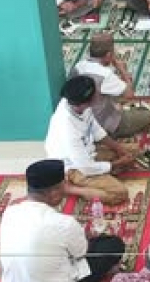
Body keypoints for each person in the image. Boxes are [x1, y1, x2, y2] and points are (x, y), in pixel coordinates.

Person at [0, 159, 126, 282]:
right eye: (63, 187)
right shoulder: (64, 224)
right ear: (53, 193)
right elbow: (81, 253)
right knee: (113, 245)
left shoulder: (10, 212)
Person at [45, 75, 133, 204]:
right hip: (74, 167)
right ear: (86, 101)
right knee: (119, 193)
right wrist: (118, 163)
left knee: (133, 151)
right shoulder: (67, 128)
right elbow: (86, 167)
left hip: (88, 151)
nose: (98, 93)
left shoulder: (78, 104)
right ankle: (69, 188)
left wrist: (119, 149)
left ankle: (105, 174)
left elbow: (96, 130)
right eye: (95, 92)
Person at [70, 33, 150, 139]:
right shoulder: (105, 75)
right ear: (109, 55)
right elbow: (130, 94)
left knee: (113, 97)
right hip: (102, 124)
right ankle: (109, 133)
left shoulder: (78, 66)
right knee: (147, 115)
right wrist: (122, 69)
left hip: (80, 120)